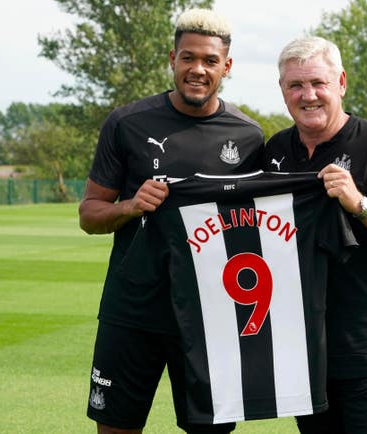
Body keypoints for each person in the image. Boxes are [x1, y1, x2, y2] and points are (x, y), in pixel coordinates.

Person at [79, 9, 264, 434]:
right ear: (172, 59)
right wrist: (130, 206)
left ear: (227, 67)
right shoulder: (126, 123)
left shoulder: (249, 136)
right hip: (133, 309)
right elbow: (89, 215)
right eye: (188, 58)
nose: (198, 69)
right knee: (116, 427)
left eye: (210, 61)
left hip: (211, 315)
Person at [263, 36, 367, 434]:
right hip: (304, 349)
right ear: (283, 91)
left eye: (318, 83)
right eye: (296, 86)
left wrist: (360, 203)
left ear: (340, 83)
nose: (308, 95)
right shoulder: (275, 151)